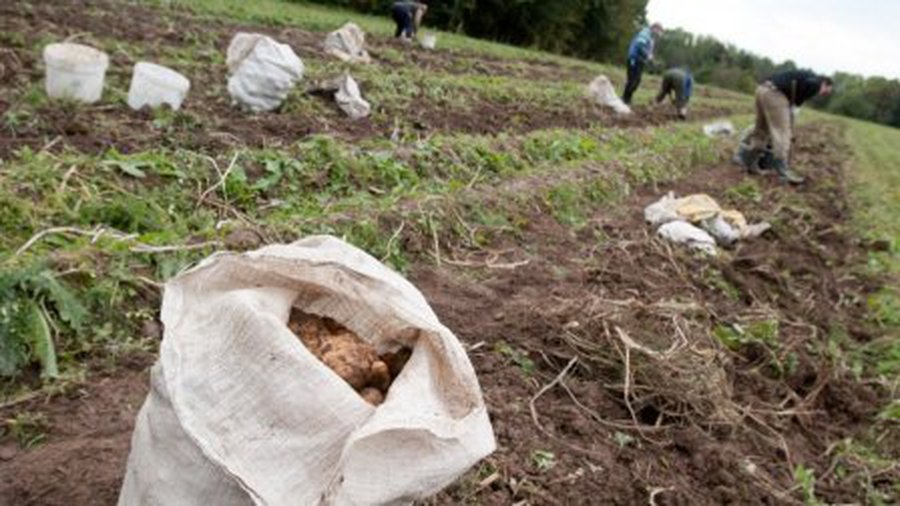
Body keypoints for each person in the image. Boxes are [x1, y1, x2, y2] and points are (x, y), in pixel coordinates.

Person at [738, 70, 833, 184]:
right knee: (782, 133)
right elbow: (802, 94)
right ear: (825, 84)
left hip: (762, 89)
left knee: (762, 129)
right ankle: (783, 172)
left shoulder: (806, 75)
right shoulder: (816, 84)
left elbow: (796, 96)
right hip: (775, 94)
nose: (824, 94)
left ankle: (749, 161)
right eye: (827, 91)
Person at [622, 23, 663, 105]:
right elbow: (640, 46)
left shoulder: (651, 38)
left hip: (640, 61)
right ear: (654, 28)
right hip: (634, 59)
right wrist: (648, 55)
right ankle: (625, 99)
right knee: (632, 80)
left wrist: (650, 59)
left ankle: (627, 99)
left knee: (636, 81)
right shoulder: (645, 33)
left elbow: (648, 50)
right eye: (658, 31)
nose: (658, 34)